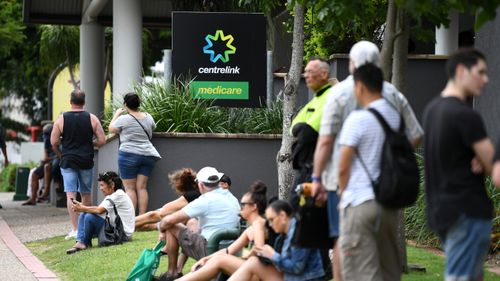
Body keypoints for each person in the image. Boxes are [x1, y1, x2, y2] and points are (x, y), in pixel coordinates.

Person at [311, 40, 423, 280]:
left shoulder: (339, 93)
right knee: (386, 262)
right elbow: (415, 135)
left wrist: (317, 178)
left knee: (343, 242)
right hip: (386, 191)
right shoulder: (392, 94)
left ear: (353, 64)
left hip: (346, 189)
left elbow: (326, 142)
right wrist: (389, 158)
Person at [422, 48, 495, 281]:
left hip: (443, 212)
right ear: (462, 70)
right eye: (480, 72)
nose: (486, 79)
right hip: (467, 212)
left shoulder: (432, 110)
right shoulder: (466, 115)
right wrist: (485, 162)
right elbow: (493, 164)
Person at [336, 64, 402, 280]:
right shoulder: (394, 116)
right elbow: (413, 139)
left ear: (361, 86)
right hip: (389, 205)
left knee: (361, 272)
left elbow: (343, 164)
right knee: (388, 271)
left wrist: (342, 193)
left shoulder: (357, 119)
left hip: (360, 201)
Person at [289, 56, 335, 279]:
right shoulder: (315, 100)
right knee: (301, 218)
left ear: (324, 74)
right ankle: (317, 270)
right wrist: (302, 127)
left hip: (317, 173)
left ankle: (320, 271)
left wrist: (303, 127)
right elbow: (294, 127)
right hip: (304, 171)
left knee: (308, 220)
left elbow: (307, 130)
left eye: (309, 71)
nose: (305, 75)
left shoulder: (330, 98)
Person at [156, 166, 240, 281]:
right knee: (191, 223)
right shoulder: (231, 197)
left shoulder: (205, 200)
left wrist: (162, 230)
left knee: (171, 226)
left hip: (211, 249)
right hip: (231, 248)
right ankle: (178, 269)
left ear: (200, 185)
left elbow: (168, 220)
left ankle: (172, 274)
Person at [177, 181, 268, 281]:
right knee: (219, 258)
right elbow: (227, 250)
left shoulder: (259, 224)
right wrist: (206, 259)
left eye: (243, 205)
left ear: (254, 207)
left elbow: (260, 251)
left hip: (261, 273)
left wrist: (247, 256)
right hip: (253, 270)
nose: (240, 208)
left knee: (220, 259)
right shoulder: (251, 228)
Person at [51, 90, 106, 240]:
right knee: (85, 194)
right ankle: (85, 228)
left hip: (68, 160)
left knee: (71, 194)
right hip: (86, 160)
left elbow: (53, 141)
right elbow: (102, 140)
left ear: (71, 101)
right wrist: (90, 143)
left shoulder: (61, 119)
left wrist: (60, 153)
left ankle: (75, 229)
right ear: (84, 102)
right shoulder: (92, 118)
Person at [227, 200, 324, 281]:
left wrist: (272, 255)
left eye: (271, 220)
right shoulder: (285, 234)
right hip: (291, 277)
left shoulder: (300, 232)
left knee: (251, 262)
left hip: (305, 278)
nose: (270, 224)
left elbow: (297, 267)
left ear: (282, 216)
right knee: (253, 261)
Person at [109, 92, 161, 215]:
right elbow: (152, 128)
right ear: (138, 103)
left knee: (130, 189)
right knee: (142, 188)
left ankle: (132, 219)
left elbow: (111, 129)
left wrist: (116, 114)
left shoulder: (124, 119)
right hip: (148, 154)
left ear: (125, 104)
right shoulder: (148, 117)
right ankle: (142, 218)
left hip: (129, 154)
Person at [65, 171, 135, 254]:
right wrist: (82, 207)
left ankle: (83, 243)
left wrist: (83, 208)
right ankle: (81, 242)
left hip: (122, 235)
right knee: (84, 214)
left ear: (112, 185)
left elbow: (99, 210)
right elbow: (98, 209)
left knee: (89, 217)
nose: (100, 188)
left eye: (102, 185)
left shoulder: (118, 194)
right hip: (117, 231)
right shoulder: (114, 195)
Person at [135, 168, 200, 231]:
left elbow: (161, 213)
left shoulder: (193, 195)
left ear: (178, 183)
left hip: (192, 223)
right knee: (147, 225)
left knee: (153, 217)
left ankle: (126, 225)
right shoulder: (195, 194)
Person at [23, 123, 62, 205]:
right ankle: (33, 198)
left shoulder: (58, 140)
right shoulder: (46, 143)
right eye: (44, 134)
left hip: (55, 162)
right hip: (50, 161)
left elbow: (59, 155)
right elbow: (46, 157)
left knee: (47, 167)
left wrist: (50, 158)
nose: (45, 136)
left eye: (47, 134)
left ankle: (46, 191)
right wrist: (45, 160)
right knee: (34, 174)